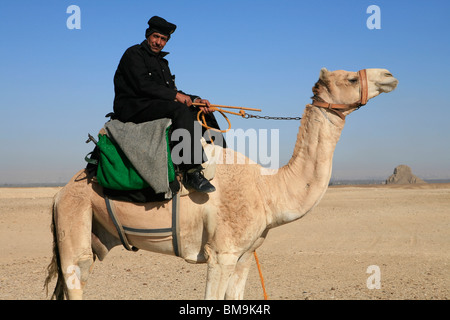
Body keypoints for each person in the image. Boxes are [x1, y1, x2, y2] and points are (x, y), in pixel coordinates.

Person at [112, 16, 223, 193]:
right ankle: (191, 170)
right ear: (148, 35)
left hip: (155, 104)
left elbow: (170, 89)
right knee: (179, 109)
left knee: (204, 111)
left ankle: (222, 156)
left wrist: (196, 100)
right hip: (134, 106)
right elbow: (143, 86)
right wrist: (175, 96)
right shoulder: (133, 54)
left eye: (163, 39)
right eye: (156, 37)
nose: (159, 42)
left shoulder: (162, 62)